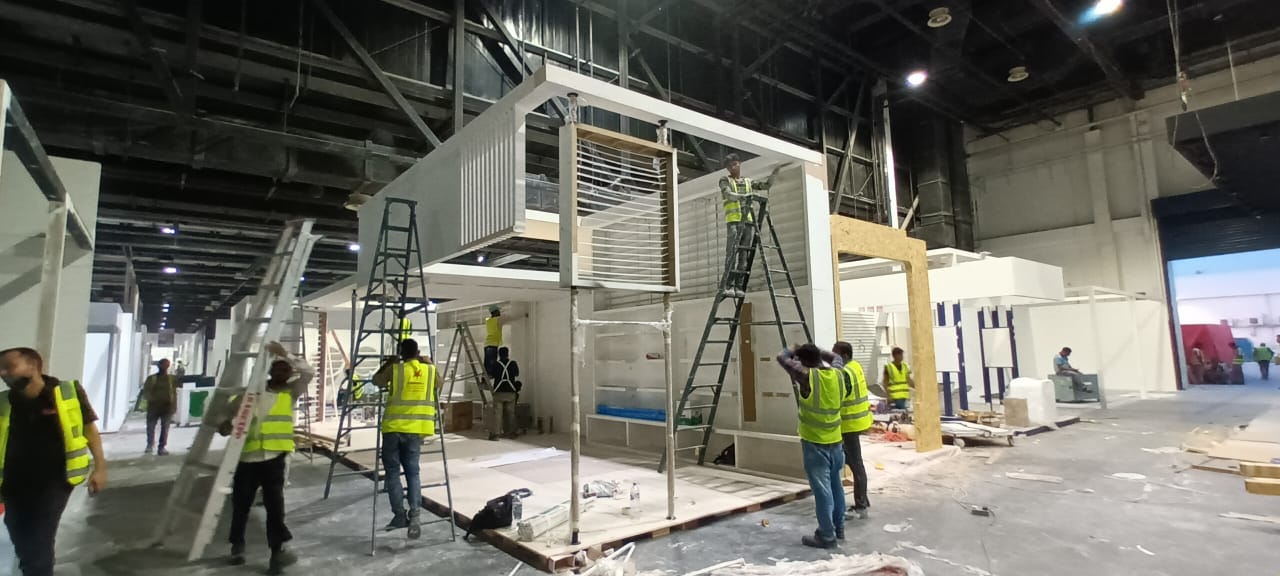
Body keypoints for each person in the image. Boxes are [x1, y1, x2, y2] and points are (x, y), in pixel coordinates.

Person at [0, 347, 108, 576]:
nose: (3, 373)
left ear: (33, 366)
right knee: (18, 531)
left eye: (9, 367)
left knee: (38, 537)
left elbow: (90, 430)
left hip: (55, 480)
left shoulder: (68, 392)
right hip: (13, 482)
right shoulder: (4, 401)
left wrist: (100, 468)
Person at [221, 341, 312, 574]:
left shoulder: (291, 392)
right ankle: (237, 545)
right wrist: (226, 424)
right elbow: (231, 414)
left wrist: (287, 355)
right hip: (248, 457)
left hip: (274, 457)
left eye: (287, 369)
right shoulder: (254, 392)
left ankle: (276, 553)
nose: (283, 372)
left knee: (275, 507)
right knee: (241, 505)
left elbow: (308, 372)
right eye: (278, 368)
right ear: (271, 371)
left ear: (290, 373)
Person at [776, 343, 851, 549]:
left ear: (805, 362)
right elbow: (836, 357)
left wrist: (793, 348)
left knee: (823, 492)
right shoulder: (837, 372)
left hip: (815, 445)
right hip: (836, 442)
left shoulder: (808, 377)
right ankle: (839, 528)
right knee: (836, 487)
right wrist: (817, 350)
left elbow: (782, 358)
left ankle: (826, 536)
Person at [372, 338, 438, 540]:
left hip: (393, 429)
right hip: (415, 430)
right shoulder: (429, 370)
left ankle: (400, 515)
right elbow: (440, 384)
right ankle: (415, 515)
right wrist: (430, 363)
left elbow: (376, 381)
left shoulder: (396, 370)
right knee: (413, 473)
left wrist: (388, 363)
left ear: (401, 353)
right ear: (418, 352)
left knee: (392, 473)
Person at [718, 154, 778, 298]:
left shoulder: (748, 181)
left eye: (735, 164)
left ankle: (739, 286)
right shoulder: (725, 180)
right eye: (729, 166)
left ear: (740, 163)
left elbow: (765, 186)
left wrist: (775, 174)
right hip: (734, 222)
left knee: (743, 255)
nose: (733, 167)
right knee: (732, 253)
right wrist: (743, 197)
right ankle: (728, 285)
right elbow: (728, 194)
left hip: (748, 223)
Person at [832, 342, 872, 520]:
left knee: (856, 464)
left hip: (850, 424)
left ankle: (861, 504)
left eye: (836, 354)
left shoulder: (846, 373)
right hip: (856, 422)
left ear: (845, 356)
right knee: (852, 461)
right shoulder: (855, 366)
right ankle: (863, 499)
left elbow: (839, 396)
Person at [143, 359, 180, 455]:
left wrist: (174, 406)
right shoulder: (151, 379)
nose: (165, 367)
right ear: (159, 366)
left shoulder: (172, 379)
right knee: (151, 427)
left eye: (167, 365)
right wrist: (153, 399)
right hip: (154, 407)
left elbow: (175, 392)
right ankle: (150, 445)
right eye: (163, 365)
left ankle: (161, 447)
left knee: (165, 428)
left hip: (167, 407)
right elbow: (146, 392)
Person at [489, 347, 522, 440]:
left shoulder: (496, 364)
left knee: (497, 414)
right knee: (511, 413)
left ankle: (496, 434)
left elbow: (491, 375)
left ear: (499, 355)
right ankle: (512, 433)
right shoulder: (513, 363)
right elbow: (516, 374)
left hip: (499, 392)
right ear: (508, 354)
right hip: (510, 392)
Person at [483, 306, 503, 381]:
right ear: (494, 312)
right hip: (492, 344)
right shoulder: (497, 319)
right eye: (498, 311)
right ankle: (488, 377)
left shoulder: (488, 320)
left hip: (488, 344)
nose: (500, 313)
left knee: (487, 363)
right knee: (492, 363)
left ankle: (484, 380)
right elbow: (509, 318)